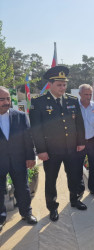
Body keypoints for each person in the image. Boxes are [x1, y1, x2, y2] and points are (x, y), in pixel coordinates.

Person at [29, 66, 87, 222]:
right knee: (51, 179)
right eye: (59, 85)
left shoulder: (72, 100)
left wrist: (81, 142)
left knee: (74, 176)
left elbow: (79, 124)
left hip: (72, 148)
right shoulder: (39, 102)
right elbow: (36, 129)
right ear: (50, 85)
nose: (63, 87)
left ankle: (75, 200)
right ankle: (52, 207)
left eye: (64, 84)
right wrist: (41, 150)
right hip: (51, 150)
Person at [0, 87, 37, 231]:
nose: (6, 102)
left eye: (8, 98)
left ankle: (26, 213)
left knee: (23, 188)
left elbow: (28, 138)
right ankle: (1, 217)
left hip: (18, 160)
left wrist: (30, 157)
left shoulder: (20, 116)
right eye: (2, 99)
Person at [77, 84, 94, 197]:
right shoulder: (74, 107)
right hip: (78, 142)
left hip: (92, 140)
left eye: (90, 94)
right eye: (86, 94)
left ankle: (93, 188)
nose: (88, 96)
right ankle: (80, 189)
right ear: (80, 94)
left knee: (93, 165)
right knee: (77, 167)